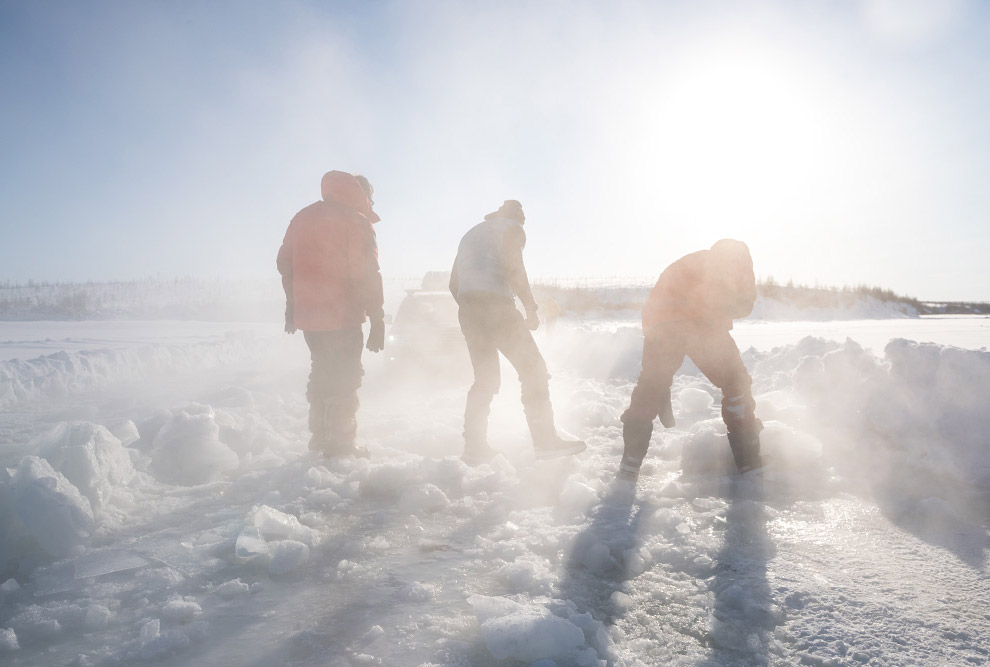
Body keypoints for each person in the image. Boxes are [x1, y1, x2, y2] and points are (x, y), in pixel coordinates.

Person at [449, 199, 585, 465]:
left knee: (485, 380)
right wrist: (530, 307)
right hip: (497, 305)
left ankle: (474, 447)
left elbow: (453, 283)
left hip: (468, 309)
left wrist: (471, 306)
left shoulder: (471, 234)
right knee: (533, 369)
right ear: (517, 218)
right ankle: (545, 441)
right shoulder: (511, 228)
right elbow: (514, 267)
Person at [619, 238, 763, 479]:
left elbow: (659, 299)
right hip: (701, 322)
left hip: (659, 323)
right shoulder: (736, 261)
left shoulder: (692, 260)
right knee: (735, 382)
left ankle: (629, 463)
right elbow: (742, 305)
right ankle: (749, 460)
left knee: (651, 385)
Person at [277, 171, 385, 458]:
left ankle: (320, 438)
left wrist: (293, 305)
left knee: (322, 371)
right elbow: (367, 273)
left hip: (309, 316)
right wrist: (377, 317)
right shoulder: (355, 221)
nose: (371, 202)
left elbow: (285, 263)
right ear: (361, 193)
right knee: (345, 376)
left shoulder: (302, 218)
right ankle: (341, 443)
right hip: (343, 314)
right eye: (370, 196)